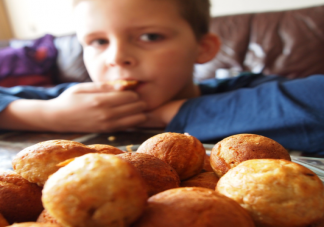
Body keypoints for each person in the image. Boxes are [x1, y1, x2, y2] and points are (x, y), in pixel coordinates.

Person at [0, 0, 324, 155]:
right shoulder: (80, 98)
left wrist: (159, 114)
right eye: (98, 42)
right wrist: (45, 113)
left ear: (203, 47)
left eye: (150, 36)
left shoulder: (249, 90)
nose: (115, 57)